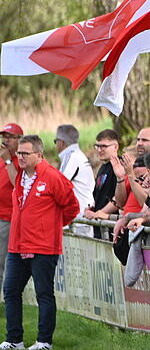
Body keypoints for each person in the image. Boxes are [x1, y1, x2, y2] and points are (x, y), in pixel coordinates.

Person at [2, 135, 80, 350]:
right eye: (19, 153)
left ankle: (44, 341)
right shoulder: (20, 176)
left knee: (43, 293)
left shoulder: (52, 176)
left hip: (43, 247)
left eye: (25, 153)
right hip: (17, 245)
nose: (21, 157)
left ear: (39, 154)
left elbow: (72, 206)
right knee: (10, 291)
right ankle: (14, 340)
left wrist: (52, 226)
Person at [53, 124, 94, 237]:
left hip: (79, 220)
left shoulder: (72, 156)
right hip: (82, 216)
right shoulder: (77, 155)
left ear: (61, 142)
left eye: (55, 141)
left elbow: (59, 186)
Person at [0, 123, 23, 292]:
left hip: (8, 218)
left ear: (19, 140)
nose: (5, 140)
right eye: (4, 137)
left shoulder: (21, 160)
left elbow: (18, 186)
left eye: (10, 137)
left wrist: (8, 160)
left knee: (2, 262)